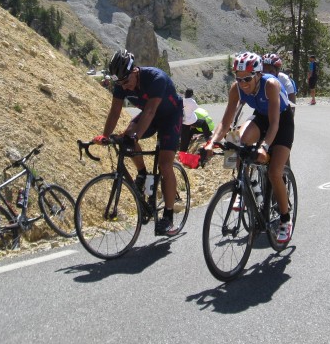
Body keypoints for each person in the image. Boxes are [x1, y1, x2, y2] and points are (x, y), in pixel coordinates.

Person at [204, 52, 295, 244]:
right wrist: (212, 142)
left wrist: (264, 147)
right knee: (239, 140)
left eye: (247, 79)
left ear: (258, 74)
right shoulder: (236, 88)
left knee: (274, 172)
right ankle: (244, 187)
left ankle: (285, 220)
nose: (243, 83)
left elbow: (275, 124)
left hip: (281, 121)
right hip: (261, 117)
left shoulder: (271, 85)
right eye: (239, 78)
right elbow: (226, 121)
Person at [93, 50, 183, 235]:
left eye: (126, 82)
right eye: (120, 84)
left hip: (169, 116)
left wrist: (135, 136)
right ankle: (142, 174)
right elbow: (115, 110)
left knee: (165, 165)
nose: (124, 88)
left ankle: (168, 217)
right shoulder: (122, 82)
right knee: (127, 136)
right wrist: (105, 135)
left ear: (134, 71)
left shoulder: (156, 78)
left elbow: (150, 112)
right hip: (151, 114)